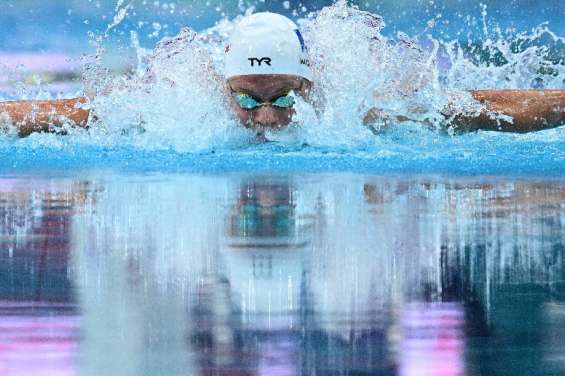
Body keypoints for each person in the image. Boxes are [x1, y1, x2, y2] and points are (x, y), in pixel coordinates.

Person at [0, 12, 563, 137]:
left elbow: (480, 106)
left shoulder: (356, 106)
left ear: (309, 87)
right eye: (246, 101)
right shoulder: (172, 107)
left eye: (283, 99)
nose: (266, 118)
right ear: (223, 87)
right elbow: (60, 115)